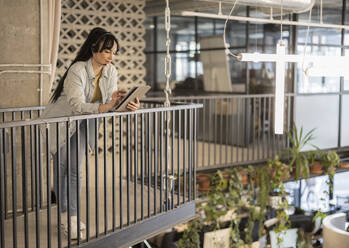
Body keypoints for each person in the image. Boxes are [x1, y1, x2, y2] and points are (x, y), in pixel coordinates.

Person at [41, 27, 140, 239]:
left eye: (114, 52)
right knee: (62, 168)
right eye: (107, 51)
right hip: (61, 123)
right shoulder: (77, 69)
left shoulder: (111, 71)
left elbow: (107, 103)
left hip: (84, 123)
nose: (111, 57)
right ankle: (65, 216)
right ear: (94, 49)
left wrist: (123, 103)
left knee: (75, 169)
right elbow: (77, 104)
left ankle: (73, 217)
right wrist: (107, 105)